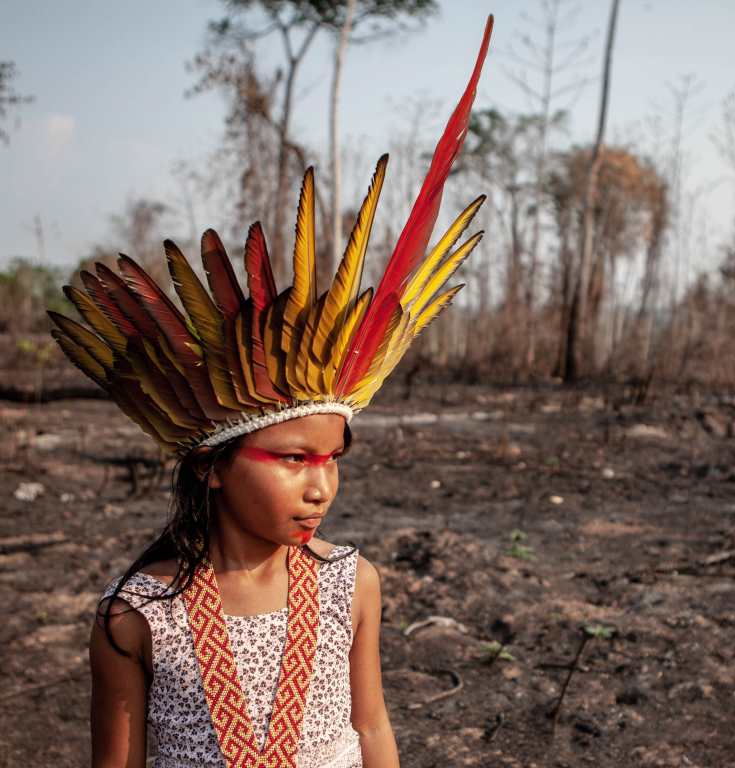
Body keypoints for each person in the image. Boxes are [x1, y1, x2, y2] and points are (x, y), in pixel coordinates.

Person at [53, 17, 495, 768]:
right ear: (211, 464)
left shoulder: (352, 585)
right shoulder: (136, 619)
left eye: (331, 460)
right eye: (293, 458)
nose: (320, 486)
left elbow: (372, 727)